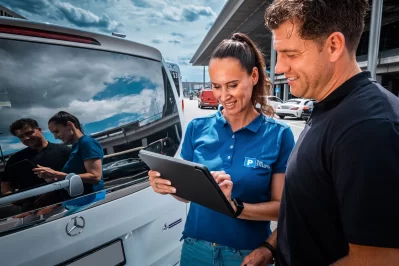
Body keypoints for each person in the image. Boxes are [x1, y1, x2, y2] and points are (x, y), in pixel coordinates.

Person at [242, 0, 399, 265]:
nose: (279, 68)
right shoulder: (331, 108)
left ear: (334, 46)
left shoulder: (369, 128)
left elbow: (377, 259)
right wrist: (270, 247)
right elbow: (312, 212)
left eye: (291, 54)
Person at [149, 32, 295, 266]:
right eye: (217, 86)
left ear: (254, 76)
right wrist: (168, 187)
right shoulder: (197, 128)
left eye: (233, 85)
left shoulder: (279, 135)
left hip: (246, 255)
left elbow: (282, 209)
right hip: (195, 250)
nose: (223, 96)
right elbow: (185, 196)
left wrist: (236, 208)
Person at [1, 118, 71, 211]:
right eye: (21, 136)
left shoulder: (64, 151)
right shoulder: (15, 159)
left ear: (40, 130)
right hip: (30, 212)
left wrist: (55, 193)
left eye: (29, 133)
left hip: (65, 206)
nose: (26, 138)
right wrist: (13, 198)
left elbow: (76, 177)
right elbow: (7, 184)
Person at [33, 111, 104, 196]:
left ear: (70, 125)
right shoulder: (76, 146)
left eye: (56, 131)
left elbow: (95, 177)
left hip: (90, 200)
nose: (55, 137)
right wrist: (50, 176)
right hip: (81, 200)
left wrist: (56, 174)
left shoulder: (87, 143)